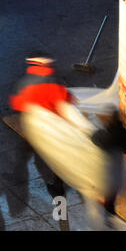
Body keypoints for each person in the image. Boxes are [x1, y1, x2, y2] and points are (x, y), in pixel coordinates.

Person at [9, 51, 73, 197]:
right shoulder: (55, 82)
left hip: (33, 127)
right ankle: (58, 188)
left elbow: (17, 103)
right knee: (56, 158)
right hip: (53, 127)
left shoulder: (25, 82)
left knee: (24, 153)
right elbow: (65, 101)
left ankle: (16, 176)